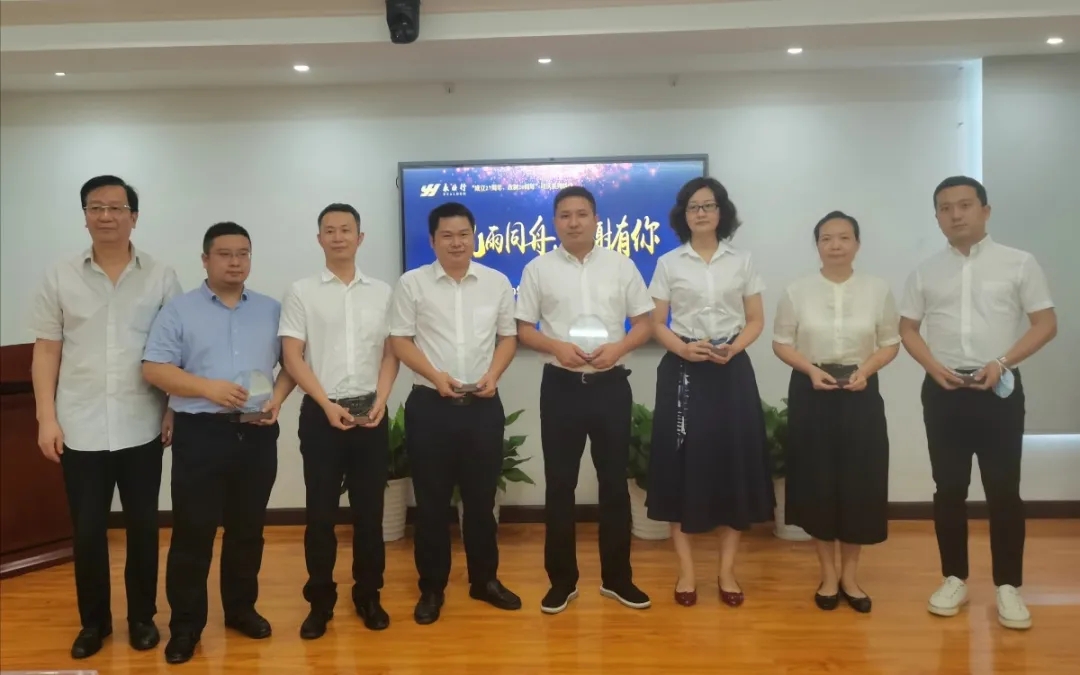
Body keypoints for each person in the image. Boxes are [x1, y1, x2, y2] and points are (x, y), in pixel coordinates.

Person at [29, 175, 181, 659]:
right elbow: (46, 350)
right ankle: (94, 623)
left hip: (142, 422)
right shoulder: (60, 274)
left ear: (134, 216)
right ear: (85, 217)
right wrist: (46, 418)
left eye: (117, 207)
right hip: (80, 425)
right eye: (96, 207)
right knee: (89, 531)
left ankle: (142, 618)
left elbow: (175, 350)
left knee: (143, 528)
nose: (107, 216)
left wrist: (172, 407)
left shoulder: (161, 275)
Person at [899, 176, 1056, 630]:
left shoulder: (1019, 263)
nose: (956, 214)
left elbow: (1046, 323)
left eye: (965, 205)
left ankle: (1008, 586)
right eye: (945, 208)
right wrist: (932, 367)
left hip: (998, 387)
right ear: (936, 217)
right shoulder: (925, 271)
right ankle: (954, 578)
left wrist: (1002, 361)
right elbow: (908, 328)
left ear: (985, 210)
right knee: (948, 489)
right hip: (944, 389)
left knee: (1003, 490)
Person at [142, 222, 295, 664]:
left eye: (243, 253)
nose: (235, 262)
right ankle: (186, 626)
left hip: (257, 432)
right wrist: (207, 389)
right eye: (225, 254)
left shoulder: (270, 309)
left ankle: (241, 610)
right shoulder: (179, 311)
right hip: (201, 433)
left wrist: (278, 399)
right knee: (194, 531)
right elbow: (154, 368)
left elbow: (293, 363)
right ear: (205, 259)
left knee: (248, 530)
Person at [516, 185, 655, 615]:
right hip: (561, 387)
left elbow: (645, 322)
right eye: (565, 215)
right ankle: (562, 582)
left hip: (611, 385)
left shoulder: (621, 265)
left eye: (581, 214)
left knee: (614, 484)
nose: (573, 222)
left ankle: (618, 579)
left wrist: (620, 348)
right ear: (555, 222)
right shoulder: (538, 269)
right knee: (560, 485)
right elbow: (524, 328)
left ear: (596, 219)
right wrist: (555, 346)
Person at [388, 201, 521, 625]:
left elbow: (508, 337)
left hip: (483, 405)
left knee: (481, 501)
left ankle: (485, 581)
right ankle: (432, 588)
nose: (457, 242)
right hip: (431, 406)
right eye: (447, 235)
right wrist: (436, 375)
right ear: (433, 241)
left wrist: (494, 374)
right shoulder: (412, 283)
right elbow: (400, 340)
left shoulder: (496, 282)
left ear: (474, 236)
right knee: (430, 505)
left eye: (464, 234)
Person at [644, 177, 773, 609]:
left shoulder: (742, 261)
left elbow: (755, 319)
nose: (701, 213)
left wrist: (734, 347)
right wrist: (683, 348)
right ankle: (686, 571)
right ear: (683, 215)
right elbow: (656, 322)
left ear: (722, 212)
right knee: (679, 467)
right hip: (683, 368)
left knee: (733, 465)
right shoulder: (668, 263)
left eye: (709, 205)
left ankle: (727, 571)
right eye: (693, 206)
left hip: (729, 368)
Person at [279, 203, 398, 639]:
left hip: (371, 414)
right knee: (321, 514)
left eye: (346, 229)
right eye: (329, 230)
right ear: (319, 239)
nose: (338, 237)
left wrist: (381, 399)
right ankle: (320, 602)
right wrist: (326, 404)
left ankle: (368, 595)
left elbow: (391, 353)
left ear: (360, 238)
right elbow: (292, 356)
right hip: (321, 413)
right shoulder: (301, 291)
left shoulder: (383, 292)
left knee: (370, 514)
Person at [772, 211, 901, 614]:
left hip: (861, 390)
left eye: (844, 237)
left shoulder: (877, 289)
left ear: (857, 244)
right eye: (827, 238)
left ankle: (851, 576)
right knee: (819, 484)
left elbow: (890, 342)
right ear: (817, 245)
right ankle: (828, 575)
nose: (835, 245)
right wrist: (810, 370)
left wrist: (867, 370)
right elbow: (781, 342)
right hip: (812, 390)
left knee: (859, 484)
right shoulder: (797, 291)